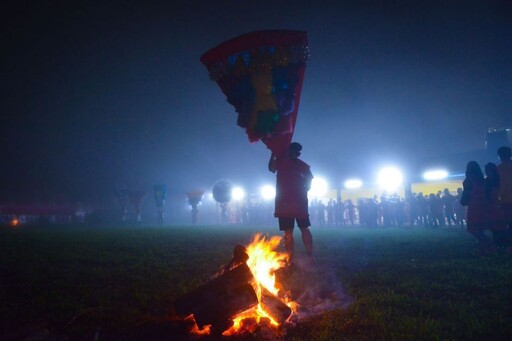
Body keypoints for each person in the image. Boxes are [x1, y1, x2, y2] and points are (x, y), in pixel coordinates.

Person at [268, 142, 314, 264]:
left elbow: (310, 179)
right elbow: (271, 168)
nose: (292, 154)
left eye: (294, 152)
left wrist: (306, 188)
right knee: (289, 231)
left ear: (297, 153)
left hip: (295, 202)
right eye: (290, 151)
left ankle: (309, 255)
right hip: (286, 203)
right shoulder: (281, 162)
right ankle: (290, 258)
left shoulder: (302, 165)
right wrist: (273, 154)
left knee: (303, 228)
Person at [461, 161, 495, 254]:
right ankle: (483, 247)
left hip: (474, 206)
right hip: (483, 206)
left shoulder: (468, 181)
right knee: (479, 227)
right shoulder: (482, 180)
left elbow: (466, 194)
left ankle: (489, 245)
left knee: (472, 228)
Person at [484, 162, 508, 249]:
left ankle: (502, 244)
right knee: (494, 226)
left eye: (487, 170)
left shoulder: (496, 180)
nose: (486, 172)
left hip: (497, 204)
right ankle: (499, 244)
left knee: (500, 225)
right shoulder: (490, 181)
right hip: (492, 205)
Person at [496, 146, 512, 252]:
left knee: (506, 223)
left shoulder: (498, 169)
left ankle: (507, 245)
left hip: (504, 201)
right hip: (505, 201)